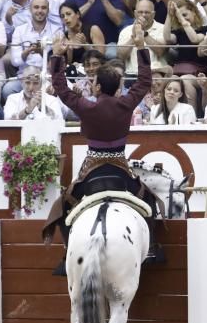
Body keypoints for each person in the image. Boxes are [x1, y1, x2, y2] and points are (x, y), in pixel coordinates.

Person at [46, 25, 161, 274]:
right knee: (150, 199)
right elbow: (145, 81)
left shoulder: (86, 106)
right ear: (118, 89)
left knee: (65, 205)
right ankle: (151, 247)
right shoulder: (126, 103)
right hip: (120, 166)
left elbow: (61, 88)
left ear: (96, 88)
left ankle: (68, 251)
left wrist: (56, 56)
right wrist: (141, 46)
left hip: (92, 167)